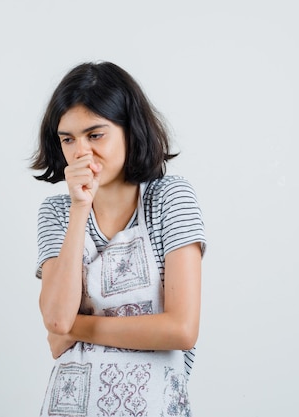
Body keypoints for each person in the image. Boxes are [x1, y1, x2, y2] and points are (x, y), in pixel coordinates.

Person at [30, 61, 206, 416]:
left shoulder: (170, 199)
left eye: (95, 135)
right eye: (68, 139)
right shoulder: (56, 213)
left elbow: (182, 329)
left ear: (130, 130)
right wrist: (79, 207)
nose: (80, 152)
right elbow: (57, 322)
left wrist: (78, 328)